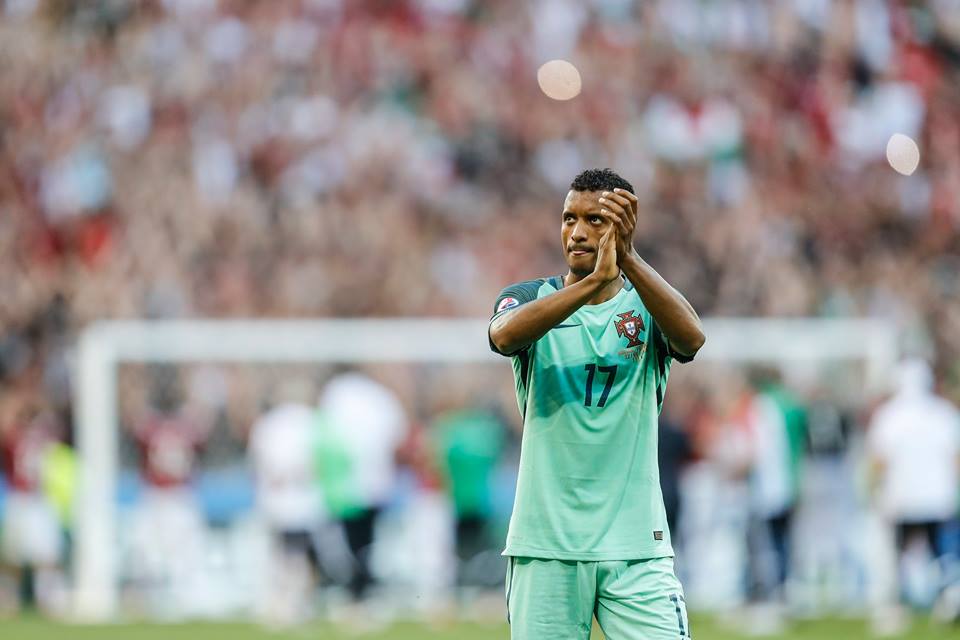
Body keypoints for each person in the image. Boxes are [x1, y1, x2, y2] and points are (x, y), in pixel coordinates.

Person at [488, 168, 705, 639]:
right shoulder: (528, 298)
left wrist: (629, 260)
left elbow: (692, 338)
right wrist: (591, 284)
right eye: (569, 218)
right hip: (546, 545)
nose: (578, 232)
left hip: (636, 546)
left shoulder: (647, 307)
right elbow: (503, 336)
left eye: (596, 220)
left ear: (623, 229)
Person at [867, 359, 960, 610]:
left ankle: (899, 602)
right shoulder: (944, 413)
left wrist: (874, 490)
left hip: (902, 496)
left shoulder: (889, 415)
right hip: (937, 497)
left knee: (899, 552)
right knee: (941, 552)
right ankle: (945, 598)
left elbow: (879, 461)